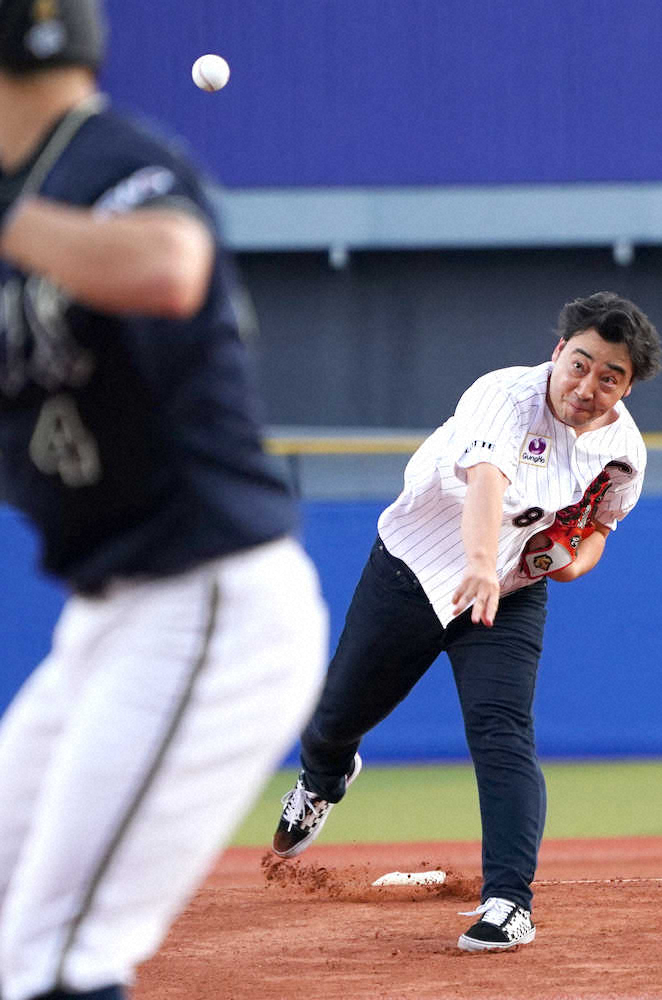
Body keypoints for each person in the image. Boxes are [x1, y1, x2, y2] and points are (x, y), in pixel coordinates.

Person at [0, 2, 327, 998]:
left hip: (207, 604)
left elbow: (170, 264)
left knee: (58, 962)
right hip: (107, 618)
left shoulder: (107, 157)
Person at [272, 290, 662, 952]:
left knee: (503, 731)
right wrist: (481, 561)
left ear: (627, 387)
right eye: (581, 362)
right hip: (414, 570)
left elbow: (600, 527)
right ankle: (324, 777)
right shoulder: (504, 395)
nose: (588, 384)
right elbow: (486, 479)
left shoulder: (624, 451)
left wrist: (573, 564)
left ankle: (510, 902)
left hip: (510, 593)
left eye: (611, 376)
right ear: (557, 352)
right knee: (338, 716)